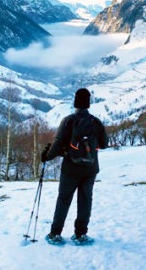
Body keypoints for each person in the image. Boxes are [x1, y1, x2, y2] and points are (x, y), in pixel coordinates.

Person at [41, 88, 108, 245]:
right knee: (85, 201)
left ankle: (55, 234)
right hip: (90, 169)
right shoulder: (96, 122)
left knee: (64, 200)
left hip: (70, 169)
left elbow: (57, 145)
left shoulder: (68, 121)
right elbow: (104, 144)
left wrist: (46, 157)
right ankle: (80, 235)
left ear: (75, 103)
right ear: (88, 103)